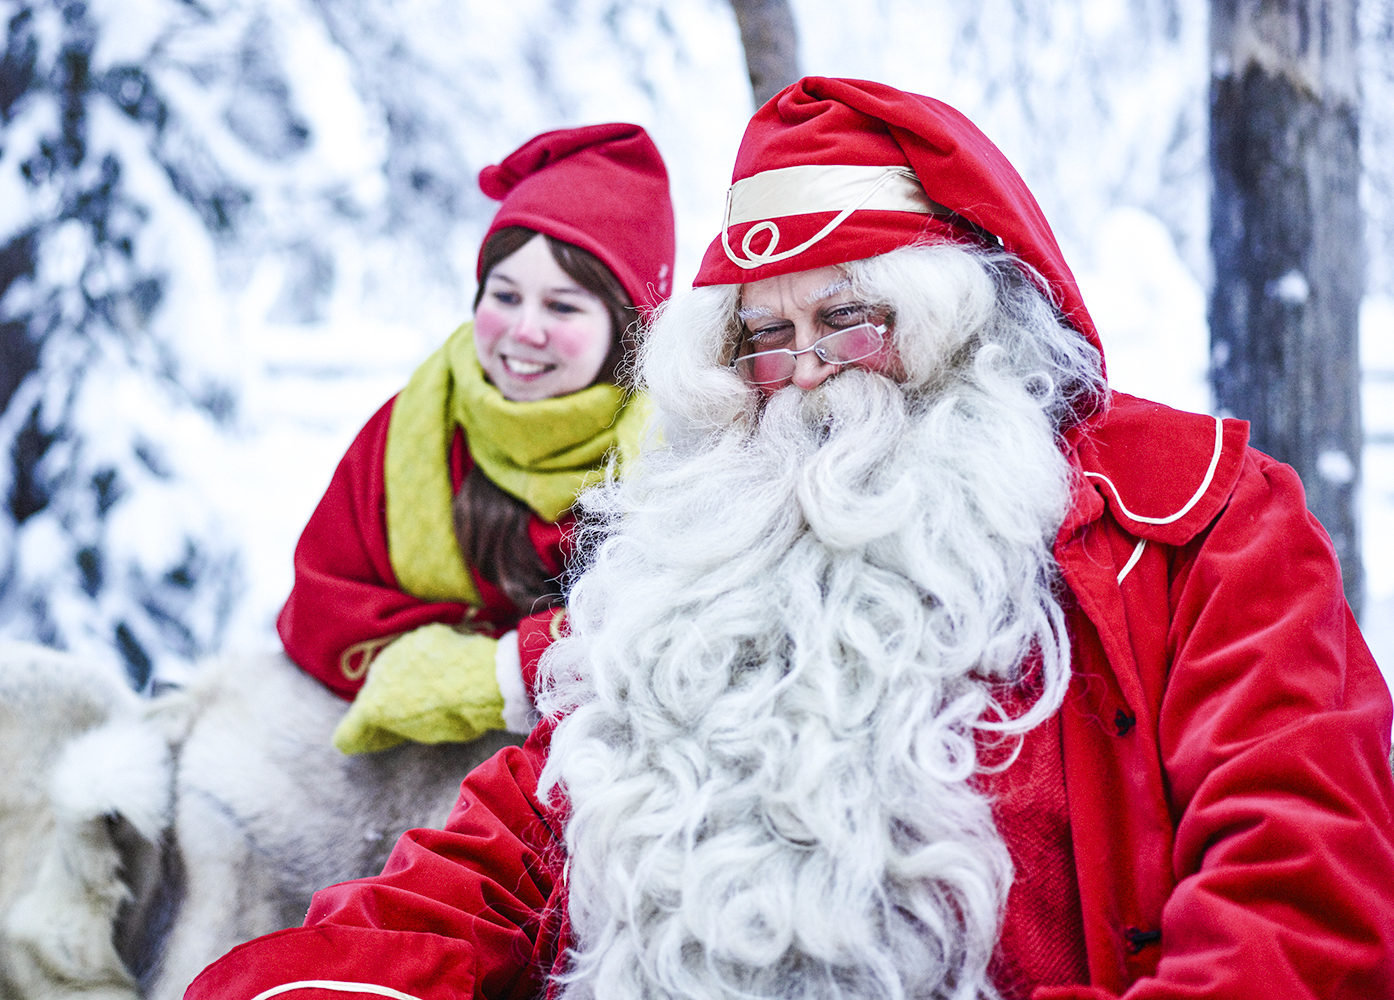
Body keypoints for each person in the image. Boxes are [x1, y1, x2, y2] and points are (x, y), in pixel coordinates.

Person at [189, 78, 1394, 999]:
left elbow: (1301, 883)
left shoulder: (1196, 522)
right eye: (761, 339)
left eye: (851, 319)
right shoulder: (704, 554)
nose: (805, 376)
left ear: (964, 330)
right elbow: (503, 851)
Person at [277, 123, 674, 754]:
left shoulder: (676, 452)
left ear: (628, 327)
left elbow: (677, 628)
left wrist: (514, 663)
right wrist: (505, 671)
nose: (525, 330)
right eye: (505, 295)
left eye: (563, 307)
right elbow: (321, 613)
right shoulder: (409, 430)